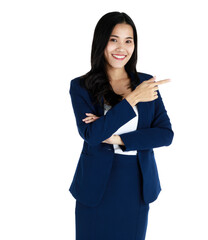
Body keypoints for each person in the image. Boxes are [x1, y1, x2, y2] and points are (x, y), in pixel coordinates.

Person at [68, 11, 174, 240]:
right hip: (95, 185)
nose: (121, 48)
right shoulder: (81, 86)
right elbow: (92, 134)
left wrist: (118, 139)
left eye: (128, 41)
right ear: (101, 41)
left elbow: (165, 134)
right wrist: (132, 99)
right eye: (114, 39)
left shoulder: (146, 82)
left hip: (135, 183)